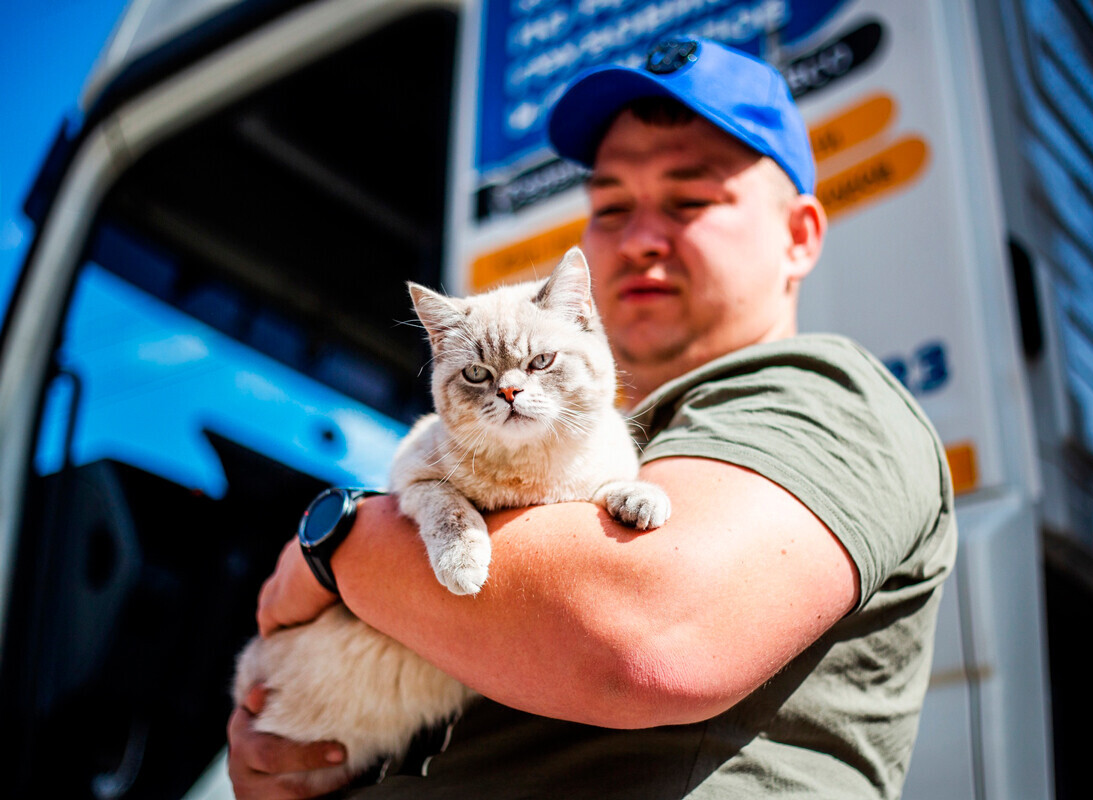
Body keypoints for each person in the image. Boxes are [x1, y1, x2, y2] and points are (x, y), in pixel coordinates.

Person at [227, 38, 956, 799]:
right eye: (610, 206)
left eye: (689, 200)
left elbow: (647, 639)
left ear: (799, 235)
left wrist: (338, 545)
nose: (640, 238)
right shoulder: (601, 431)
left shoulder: (826, 393)